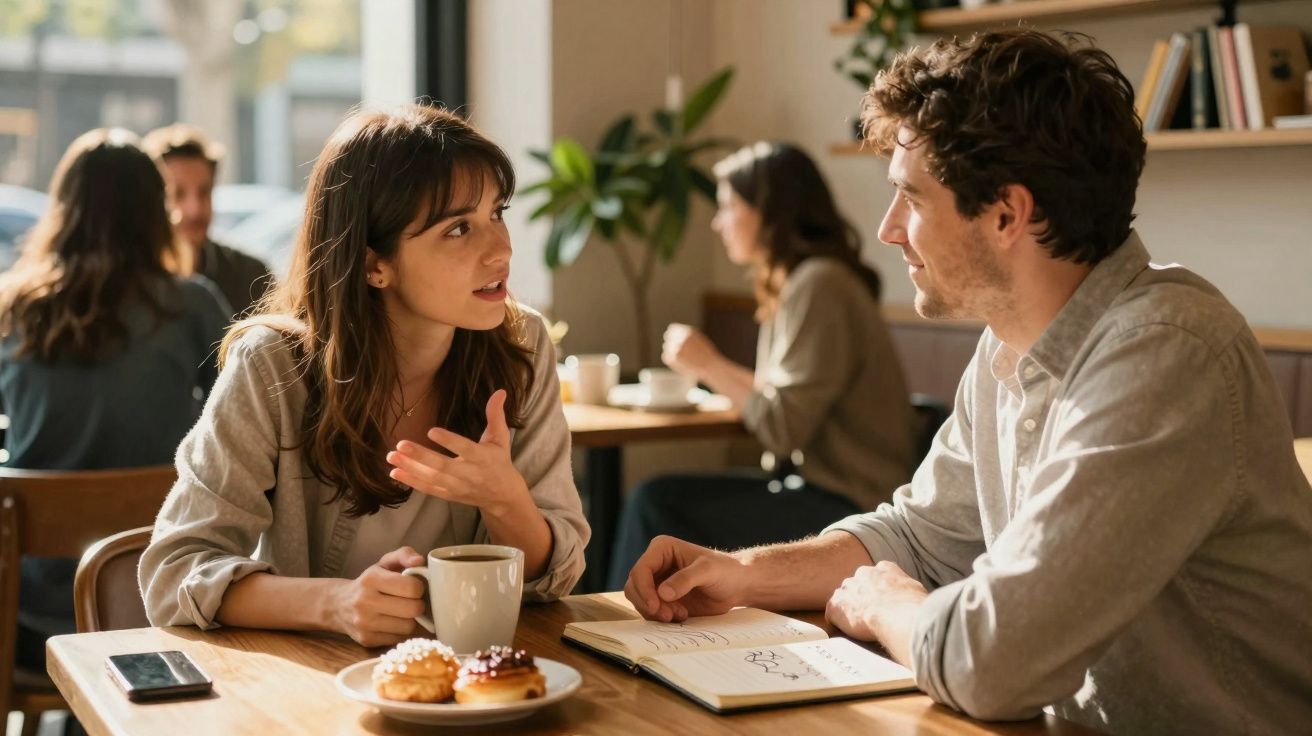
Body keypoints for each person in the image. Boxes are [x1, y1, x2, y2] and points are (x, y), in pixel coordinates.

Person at [620, 29, 1312, 734]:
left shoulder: (1164, 354)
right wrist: (745, 574)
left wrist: (889, 606)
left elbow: (996, 662)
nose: (888, 230)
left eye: (911, 198)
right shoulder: (1007, 343)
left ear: (1008, 214)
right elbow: (920, 536)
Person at [139, 105, 589, 647]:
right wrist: (336, 604)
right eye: (458, 229)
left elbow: (555, 578)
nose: (502, 249)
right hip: (309, 679)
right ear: (376, 264)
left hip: (479, 674)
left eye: (497, 213)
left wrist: (505, 500)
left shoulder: (521, 346)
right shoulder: (274, 366)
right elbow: (174, 573)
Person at [607, 142, 915, 590]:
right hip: (818, 489)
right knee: (658, 499)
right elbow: (780, 398)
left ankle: (618, 623)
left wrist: (709, 365)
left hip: (849, 504)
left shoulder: (820, 285)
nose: (718, 223)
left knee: (656, 503)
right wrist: (713, 368)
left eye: (728, 207)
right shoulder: (807, 281)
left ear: (770, 213)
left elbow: (782, 426)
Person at [0, 128, 229, 672]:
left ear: (64, 210)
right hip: (157, 599)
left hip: (30, 614)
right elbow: (242, 421)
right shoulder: (190, 305)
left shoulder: (15, 309)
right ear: (155, 212)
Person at [142, 123, 274, 318]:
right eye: (177, 194)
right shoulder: (136, 281)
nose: (194, 209)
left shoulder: (252, 277)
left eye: (204, 192)